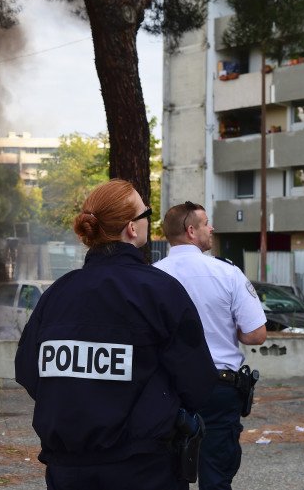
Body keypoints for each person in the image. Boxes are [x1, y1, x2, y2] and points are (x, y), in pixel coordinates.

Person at [15, 179, 217, 490]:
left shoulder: (56, 295)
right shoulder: (160, 291)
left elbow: (30, 372)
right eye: (146, 214)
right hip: (144, 468)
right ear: (132, 229)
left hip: (67, 468)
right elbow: (198, 380)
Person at [153, 201, 267, 490]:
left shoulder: (152, 276)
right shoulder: (227, 273)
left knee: (165, 474)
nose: (212, 227)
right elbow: (256, 334)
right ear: (191, 231)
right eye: (206, 223)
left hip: (166, 390)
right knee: (216, 476)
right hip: (217, 389)